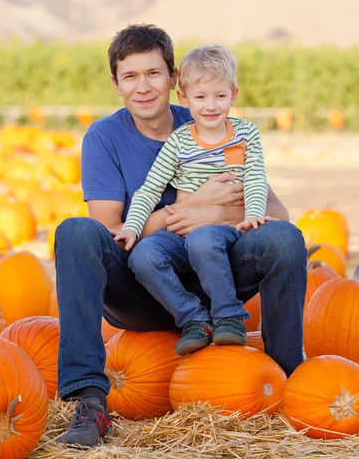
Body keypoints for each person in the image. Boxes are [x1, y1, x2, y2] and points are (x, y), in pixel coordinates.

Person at [55, 24, 307, 448]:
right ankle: (90, 399)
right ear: (116, 84)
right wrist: (188, 208)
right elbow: (112, 231)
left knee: (284, 238)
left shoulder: (210, 117)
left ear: (174, 80)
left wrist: (215, 210)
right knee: (76, 232)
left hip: (216, 282)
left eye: (153, 73)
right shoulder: (104, 138)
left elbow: (277, 213)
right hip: (142, 288)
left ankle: (288, 381)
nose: (143, 87)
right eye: (130, 76)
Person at [111, 44, 273, 356]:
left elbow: (255, 178)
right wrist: (132, 227)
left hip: (222, 228)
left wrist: (252, 213)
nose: (211, 106)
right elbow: (149, 189)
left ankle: (229, 317)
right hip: (179, 233)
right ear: (184, 98)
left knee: (202, 240)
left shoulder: (245, 133)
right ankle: (194, 318)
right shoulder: (179, 141)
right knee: (142, 257)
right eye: (200, 98)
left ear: (233, 94)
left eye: (219, 96)